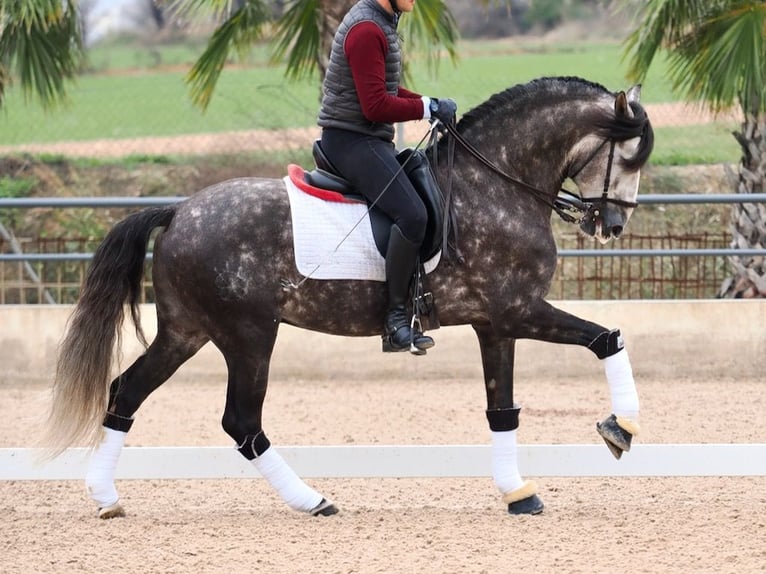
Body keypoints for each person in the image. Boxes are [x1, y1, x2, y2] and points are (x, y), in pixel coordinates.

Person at [317, 0, 457, 353]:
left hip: (366, 139)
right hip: (351, 141)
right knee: (412, 214)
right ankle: (396, 320)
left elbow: (386, 90)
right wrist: (426, 109)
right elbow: (376, 105)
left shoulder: (381, 21)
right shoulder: (367, 30)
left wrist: (430, 102)